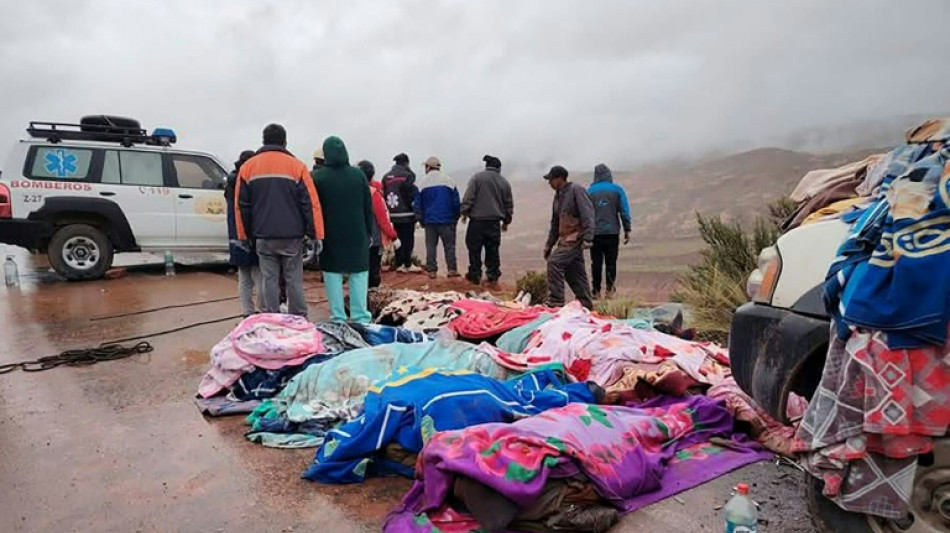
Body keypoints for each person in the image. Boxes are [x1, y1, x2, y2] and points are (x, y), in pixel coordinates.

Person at [235, 123, 324, 318]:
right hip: (292, 236)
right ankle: (299, 317)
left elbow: (241, 206)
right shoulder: (297, 166)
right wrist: (315, 234)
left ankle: (271, 317)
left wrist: (245, 235)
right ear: (285, 142)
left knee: (269, 279)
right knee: (293, 279)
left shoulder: (248, 168)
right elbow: (309, 203)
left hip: (263, 235)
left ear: (264, 140)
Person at [313, 136, 375, 323]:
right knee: (359, 274)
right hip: (357, 234)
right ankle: (360, 317)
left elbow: (314, 208)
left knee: (332, 275)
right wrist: (369, 231)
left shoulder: (318, 177)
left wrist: (316, 235)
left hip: (331, 236)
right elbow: (367, 206)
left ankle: (338, 316)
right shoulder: (358, 175)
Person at [543, 165, 595, 310]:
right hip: (565, 239)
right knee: (574, 272)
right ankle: (586, 304)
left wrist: (588, 238)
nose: (549, 183)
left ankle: (556, 302)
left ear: (560, 178)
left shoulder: (576, 190)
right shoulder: (558, 196)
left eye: (551, 179)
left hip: (575, 238)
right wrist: (549, 245)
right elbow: (555, 223)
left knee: (554, 263)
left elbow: (588, 213)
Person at [460, 154, 513, 288]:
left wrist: (464, 212)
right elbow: (508, 204)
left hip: (477, 222)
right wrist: (507, 221)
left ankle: (475, 275)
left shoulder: (477, 178)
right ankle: (492, 277)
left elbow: (469, 197)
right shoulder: (504, 182)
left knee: (474, 249)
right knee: (493, 250)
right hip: (494, 223)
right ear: (498, 168)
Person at [225, 149, 261, 317]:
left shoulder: (231, 181)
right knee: (259, 276)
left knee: (244, 277)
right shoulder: (247, 181)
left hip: (235, 235)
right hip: (250, 234)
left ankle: (247, 311)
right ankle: (262, 310)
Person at [587, 163, 632, 298]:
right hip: (612, 232)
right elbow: (624, 211)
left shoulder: (589, 191)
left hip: (595, 233)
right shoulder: (617, 190)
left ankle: (595, 291)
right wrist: (627, 229)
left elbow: (585, 213)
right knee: (611, 262)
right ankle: (610, 290)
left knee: (596, 262)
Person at [414, 156, 461, 279]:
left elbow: (417, 204)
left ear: (428, 167)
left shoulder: (422, 183)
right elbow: (456, 202)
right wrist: (455, 217)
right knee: (449, 246)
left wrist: (421, 219)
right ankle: (452, 269)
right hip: (447, 220)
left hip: (430, 221)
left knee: (431, 246)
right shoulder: (449, 180)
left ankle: (432, 270)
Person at [358, 159, 400, 289]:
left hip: (357, 239)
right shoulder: (373, 194)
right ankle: (370, 299)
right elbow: (382, 219)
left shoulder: (352, 191)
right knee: (373, 271)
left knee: (359, 272)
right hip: (373, 240)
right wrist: (393, 237)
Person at [382, 152, 420, 273]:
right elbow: (413, 194)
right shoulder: (409, 175)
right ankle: (408, 264)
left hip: (392, 215)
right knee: (408, 238)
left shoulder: (386, 177)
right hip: (407, 214)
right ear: (406, 163)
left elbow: (383, 194)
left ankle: (399, 263)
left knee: (396, 238)